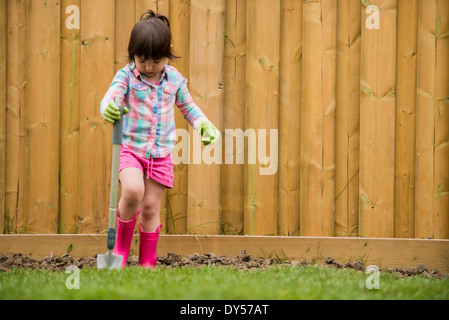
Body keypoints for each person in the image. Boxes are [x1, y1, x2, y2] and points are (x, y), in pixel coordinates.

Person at [100, 10, 220, 268]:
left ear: (169, 51)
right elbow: (110, 97)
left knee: (151, 207)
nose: (149, 67)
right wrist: (108, 107)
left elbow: (188, 107)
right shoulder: (127, 76)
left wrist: (204, 125)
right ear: (132, 54)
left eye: (157, 60)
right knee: (133, 190)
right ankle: (119, 253)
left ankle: (147, 264)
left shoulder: (174, 79)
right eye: (142, 60)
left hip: (160, 154)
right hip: (130, 149)